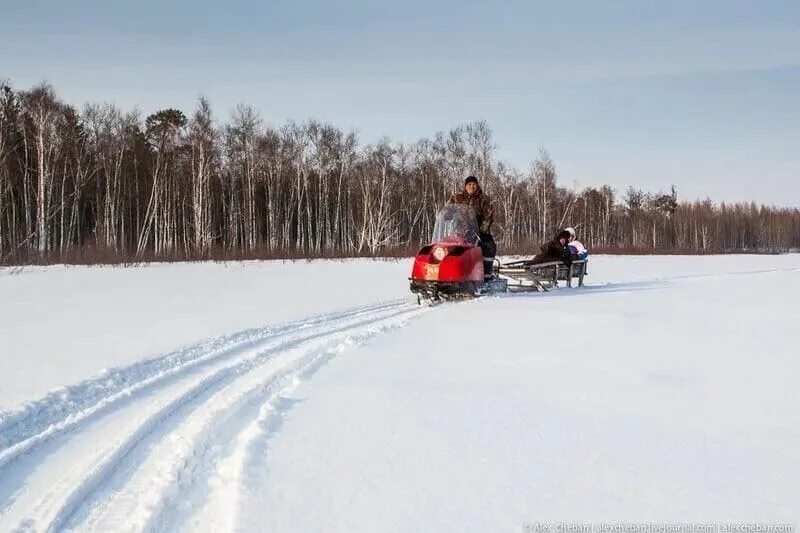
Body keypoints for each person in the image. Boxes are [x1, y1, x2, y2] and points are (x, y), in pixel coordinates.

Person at [448, 175, 496, 280]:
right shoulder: (457, 198)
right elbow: (448, 210)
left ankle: (486, 275)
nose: (471, 187)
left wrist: (482, 230)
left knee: (490, 247)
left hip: (479, 231)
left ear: (477, 185)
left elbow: (489, 216)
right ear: (465, 186)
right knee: (448, 249)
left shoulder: (484, 199)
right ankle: (450, 273)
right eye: (469, 184)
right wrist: (445, 215)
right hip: (460, 232)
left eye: (474, 184)